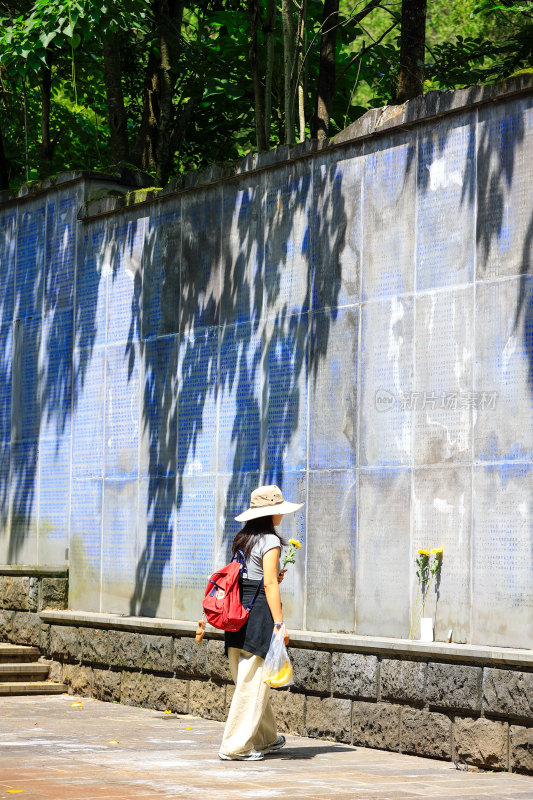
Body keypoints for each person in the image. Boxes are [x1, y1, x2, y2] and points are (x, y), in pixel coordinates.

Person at [218, 484, 303, 762]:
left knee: (253, 681)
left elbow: (250, 578)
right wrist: (279, 624)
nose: (282, 515)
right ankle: (235, 746)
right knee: (252, 684)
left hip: (235, 614)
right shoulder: (271, 541)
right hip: (257, 616)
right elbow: (268, 584)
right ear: (272, 514)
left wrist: (271, 580)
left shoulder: (243, 539)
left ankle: (265, 738)